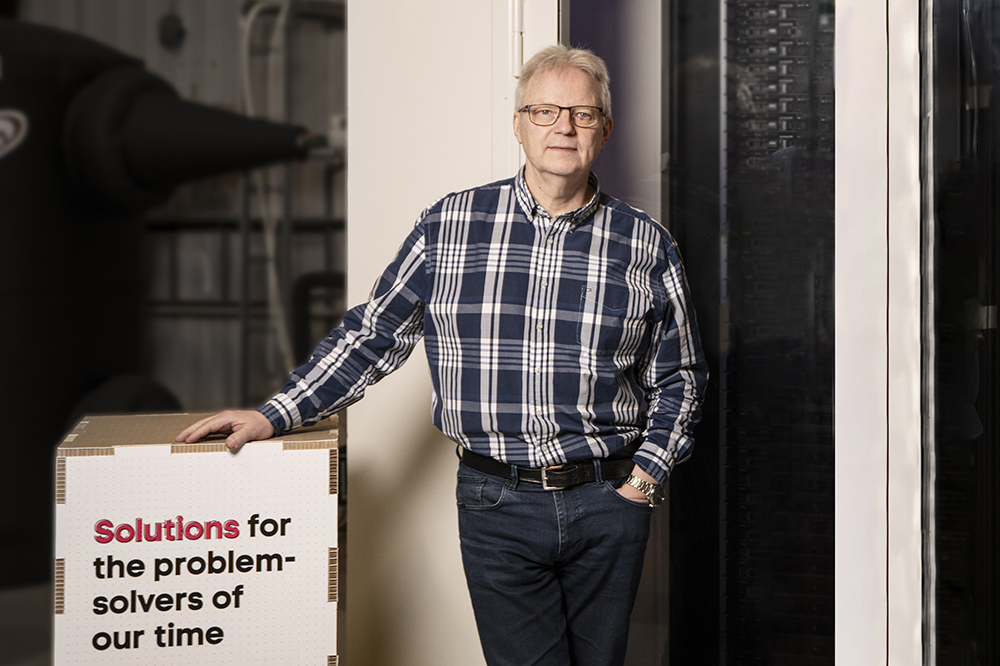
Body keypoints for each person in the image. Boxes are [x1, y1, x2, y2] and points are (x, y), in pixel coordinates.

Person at [177, 44, 708, 666]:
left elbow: (682, 378)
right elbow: (372, 334)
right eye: (544, 111)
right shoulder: (452, 224)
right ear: (518, 124)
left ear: (605, 129)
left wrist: (642, 482)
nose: (563, 126)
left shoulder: (645, 242)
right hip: (496, 505)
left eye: (582, 114)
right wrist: (276, 413)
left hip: (608, 501)